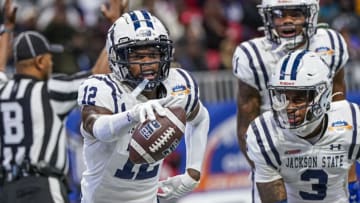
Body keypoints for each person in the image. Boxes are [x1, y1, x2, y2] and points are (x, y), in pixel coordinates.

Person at [77, 9, 209, 203]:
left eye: (153, 54)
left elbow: (201, 117)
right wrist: (132, 116)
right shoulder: (104, 89)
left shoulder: (177, 85)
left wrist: (193, 173)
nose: (148, 63)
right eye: (138, 56)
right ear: (117, 57)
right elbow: (98, 128)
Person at [231, 0, 357, 201]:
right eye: (279, 13)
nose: (286, 20)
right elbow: (246, 126)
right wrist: (268, 166)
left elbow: (338, 113)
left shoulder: (331, 44)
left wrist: (346, 171)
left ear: (311, 15)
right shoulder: (252, 55)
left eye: (295, 13)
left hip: (325, 145)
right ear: (268, 16)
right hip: (276, 141)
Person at [0, 0, 126, 202]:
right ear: (40, 61)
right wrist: (116, 26)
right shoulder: (49, 90)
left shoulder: (3, 90)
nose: (52, 63)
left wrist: (7, 27)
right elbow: (96, 76)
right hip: (41, 185)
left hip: (6, 190)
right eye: (49, 58)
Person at [247, 49, 360, 203]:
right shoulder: (265, 133)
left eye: (299, 98)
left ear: (322, 96)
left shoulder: (352, 121)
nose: (289, 107)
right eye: (282, 96)